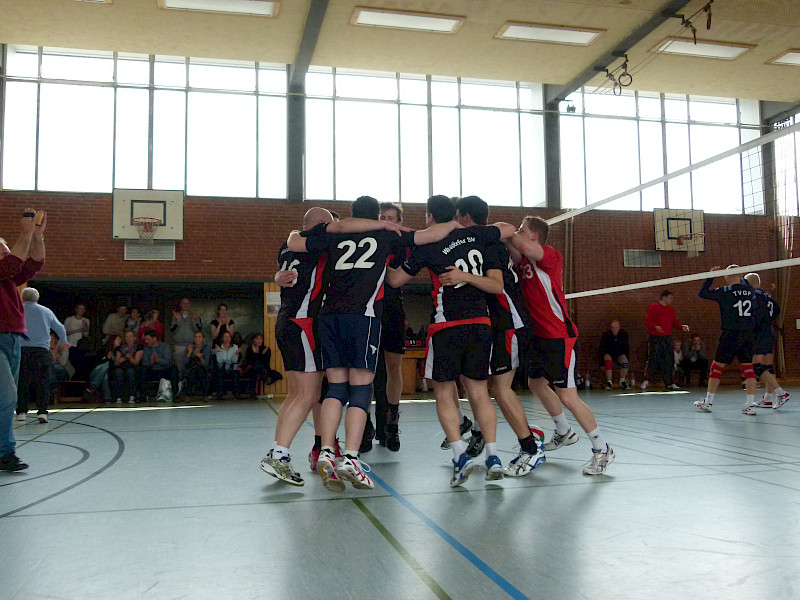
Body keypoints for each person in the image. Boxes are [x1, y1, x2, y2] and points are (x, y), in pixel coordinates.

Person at [288, 196, 460, 491]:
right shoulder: (386, 233)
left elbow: (294, 241)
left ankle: (327, 450)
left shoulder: (334, 232)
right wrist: (455, 223)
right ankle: (351, 458)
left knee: (336, 387)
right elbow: (431, 235)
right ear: (378, 215)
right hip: (362, 316)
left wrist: (336, 226)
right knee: (361, 387)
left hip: (329, 316)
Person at [388, 195, 517, 487]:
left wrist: (377, 267)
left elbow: (395, 280)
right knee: (479, 392)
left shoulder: (427, 244)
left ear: (430, 217)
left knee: (444, 392)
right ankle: (494, 456)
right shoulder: (481, 236)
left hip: (447, 325)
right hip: (481, 324)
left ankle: (460, 456)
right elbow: (505, 240)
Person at [508, 216, 615, 476]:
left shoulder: (550, 256)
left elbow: (524, 246)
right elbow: (513, 249)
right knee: (536, 383)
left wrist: (507, 231)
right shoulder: (522, 261)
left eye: (522, 230)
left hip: (558, 335)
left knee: (567, 395)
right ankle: (564, 431)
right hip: (538, 336)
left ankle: (602, 449)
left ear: (533, 236)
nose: (518, 232)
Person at [454, 195, 546, 477]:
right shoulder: (479, 240)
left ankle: (531, 447)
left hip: (510, 321)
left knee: (500, 388)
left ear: (466, 217)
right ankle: (488, 434)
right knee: (484, 384)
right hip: (496, 324)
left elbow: (506, 228)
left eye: (457, 216)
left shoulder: (488, 240)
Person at [260, 207, 336, 486]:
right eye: (329, 226)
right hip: (303, 322)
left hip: (287, 321)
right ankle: (279, 456)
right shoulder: (317, 244)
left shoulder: (287, 246)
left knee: (295, 395)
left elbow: (291, 245)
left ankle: (277, 450)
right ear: (319, 226)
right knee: (308, 395)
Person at [361, 201, 408, 453]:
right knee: (365, 370)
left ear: (399, 221)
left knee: (393, 367)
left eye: (392, 217)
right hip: (368, 308)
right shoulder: (368, 239)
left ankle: (391, 423)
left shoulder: (403, 243)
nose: (387, 220)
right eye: (383, 216)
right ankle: (365, 426)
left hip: (392, 309)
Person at [1, 208, 45, 471]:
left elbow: (34, 263)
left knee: (6, 396)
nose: (9, 254)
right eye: (3, 251)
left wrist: (37, 236)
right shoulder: (4, 269)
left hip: (13, 340)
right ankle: (6, 451)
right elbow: (15, 260)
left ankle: (4, 452)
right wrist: (25, 233)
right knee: (6, 396)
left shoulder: (8, 276)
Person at [694, 266, 758, 415]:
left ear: (727, 276)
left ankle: (708, 402)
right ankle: (750, 405)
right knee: (748, 369)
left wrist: (711, 277)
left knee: (716, 368)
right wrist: (740, 276)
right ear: (741, 276)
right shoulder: (751, 292)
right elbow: (746, 284)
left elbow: (702, 293)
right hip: (748, 335)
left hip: (730, 334)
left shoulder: (725, 292)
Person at [16, 287, 68, 423]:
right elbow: (60, 327)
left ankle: (21, 411)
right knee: (43, 381)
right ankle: (43, 412)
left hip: (22, 350)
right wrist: (63, 340)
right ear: (36, 298)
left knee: (22, 381)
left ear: (23, 298)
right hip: (41, 351)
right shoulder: (46, 311)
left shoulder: (18, 308)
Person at [745, 273, 790, 409]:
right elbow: (777, 310)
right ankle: (768, 398)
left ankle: (780, 393)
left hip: (759, 333)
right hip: (769, 331)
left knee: (756, 366)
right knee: (768, 367)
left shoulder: (754, 296)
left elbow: (755, 315)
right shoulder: (767, 295)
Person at [641, 290, 690, 391]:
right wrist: (655, 327)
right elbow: (647, 321)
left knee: (669, 360)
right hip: (655, 337)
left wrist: (681, 327)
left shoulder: (671, 309)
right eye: (670, 298)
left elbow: (674, 322)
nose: (671, 300)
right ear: (664, 297)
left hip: (667, 337)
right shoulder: (653, 307)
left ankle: (670, 383)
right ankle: (646, 380)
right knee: (653, 359)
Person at [141, 329, 179, 401]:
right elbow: (144, 363)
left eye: (148, 339)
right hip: (152, 370)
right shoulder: (146, 349)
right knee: (142, 371)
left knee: (173, 370)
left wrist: (158, 360)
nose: (146, 341)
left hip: (164, 369)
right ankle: (143, 395)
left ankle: (175, 394)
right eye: (145, 339)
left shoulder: (165, 347)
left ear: (154, 338)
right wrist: (151, 362)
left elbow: (169, 362)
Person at [170, 297, 202, 380]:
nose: (185, 305)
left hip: (191, 345)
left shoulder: (194, 315)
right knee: (179, 368)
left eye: (187, 303)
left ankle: (189, 388)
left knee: (191, 368)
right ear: (180, 305)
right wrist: (178, 320)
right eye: (183, 303)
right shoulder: (176, 315)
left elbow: (198, 330)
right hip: (179, 345)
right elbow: (173, 330)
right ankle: (180, 388)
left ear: (190, 305)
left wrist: (193, 321)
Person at [243, 333, 282, 398]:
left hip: (264, 368)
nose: (258, 341)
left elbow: (266, 361)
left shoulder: (266, 349)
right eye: (256, 339)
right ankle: (266, 377)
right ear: (253, 340)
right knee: (255, 369)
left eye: (260, 339)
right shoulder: (250, 349)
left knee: (258, 368)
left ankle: (253, 393)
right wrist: (258, 354)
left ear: (262, 340)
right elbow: (249, 361)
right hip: (252, 369)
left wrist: (258, 354)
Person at [113, 330, 143, 405]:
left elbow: (136, 362)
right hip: (122, 366)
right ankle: (118, 397)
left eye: (130, 337)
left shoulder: (138, 347)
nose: (128, 339)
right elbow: (116, 362)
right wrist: (120, 360)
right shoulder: (120, 348)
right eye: (126, 337)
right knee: (118, 372)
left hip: (133, 366)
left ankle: (132, 396)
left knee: (130, 372)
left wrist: (130, 358)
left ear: (134, 338)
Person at [598, 320, 630, 390]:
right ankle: (609, 382)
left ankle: (622, 381)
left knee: (625, 362)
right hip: (609, 353)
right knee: (608, 362)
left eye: (616, 328)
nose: (614, 329)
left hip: (619, 353)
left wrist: (627, 360)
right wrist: (601, 363)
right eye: (612, 328)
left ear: (619, 328)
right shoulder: (606, 335)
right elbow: (601, 349)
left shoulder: (623, 335)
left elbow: (626, 348)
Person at [90, 334, 121, 402]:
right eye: (118, 339)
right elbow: (96, 362)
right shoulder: (103, 349)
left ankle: (107, 397)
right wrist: (107, 358)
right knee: (104, 368)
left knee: (105, 376)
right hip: (96, 371)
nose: (120, 341)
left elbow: (112, 365)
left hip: (106, 372)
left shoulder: (118, 351)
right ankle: (93, 386)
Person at [213, 330, 241, 398]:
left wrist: (235, 354)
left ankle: (236, 394)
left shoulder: (235, 347)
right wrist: (219, 352)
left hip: (232, 368)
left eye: (228, 337)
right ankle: (220, 394)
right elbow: (219, 361)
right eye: (225, 337)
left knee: (235, 375)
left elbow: (234, 360)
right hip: (222, 368)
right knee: (220, 374)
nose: (227, 339)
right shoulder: (219, 347)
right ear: (222, 338)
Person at [184, 331, 212, 398]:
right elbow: (185, 362)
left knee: (200, 371)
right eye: (196, 337)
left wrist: (201, 358)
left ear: (203, 339)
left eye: (199, 337)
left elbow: (206, 364)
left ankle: (205, 394)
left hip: (203, 369)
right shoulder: (190, 347)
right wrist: (189, 353)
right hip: (192, 368)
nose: (197, 339)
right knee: (192, 372)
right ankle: (188, 395)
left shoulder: (206, 348)